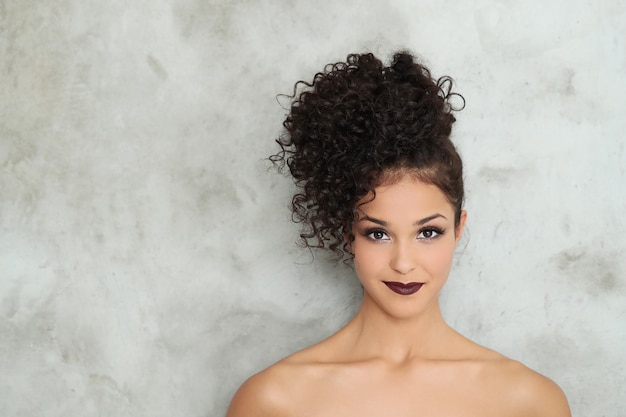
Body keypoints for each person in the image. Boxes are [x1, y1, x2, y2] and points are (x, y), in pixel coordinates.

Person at [226, 51, 571, 416]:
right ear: (348, 234)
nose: (403, 263)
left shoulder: (530, 402)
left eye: (428, 232)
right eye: (378, 234)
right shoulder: (272, 401)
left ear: (458, 229)